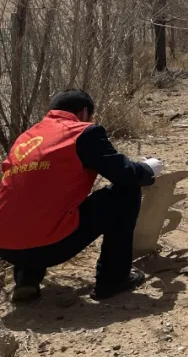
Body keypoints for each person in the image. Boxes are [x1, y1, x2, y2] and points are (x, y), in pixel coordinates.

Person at [0, 89, 162, 302]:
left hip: (7, 248)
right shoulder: (83, 132)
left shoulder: (26, 138)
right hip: (49, 247)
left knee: (31, 199)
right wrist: (148, 170)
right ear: (84, 112)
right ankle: (112, 280)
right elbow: (125, 174)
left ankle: (27, 279)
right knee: (125, 191)